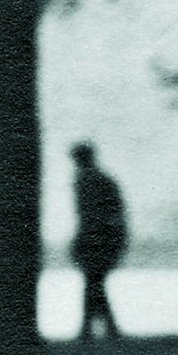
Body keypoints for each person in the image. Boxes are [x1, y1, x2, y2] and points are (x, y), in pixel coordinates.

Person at [70, 141, 127, 339]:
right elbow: (117, 214)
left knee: (93, 284)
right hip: (103, 239)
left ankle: (91, 330)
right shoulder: (102, 180)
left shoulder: (85, 181)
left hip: (94, 240)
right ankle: (106, 329)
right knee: (95, 285)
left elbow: (90, 217)